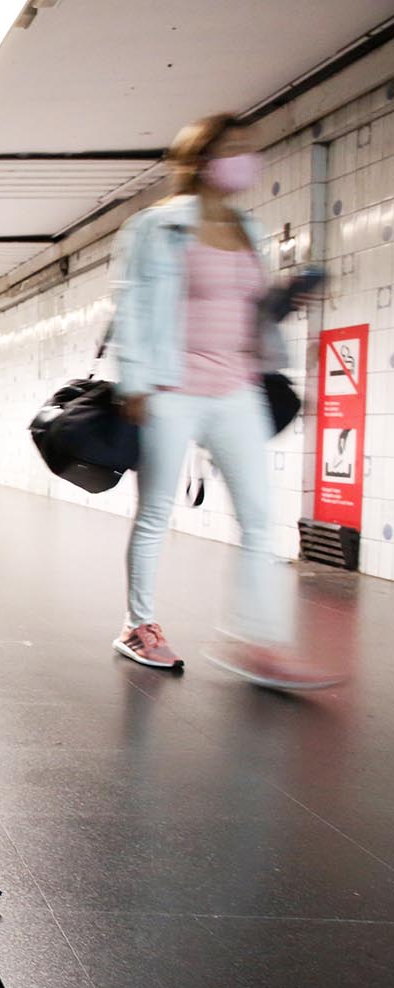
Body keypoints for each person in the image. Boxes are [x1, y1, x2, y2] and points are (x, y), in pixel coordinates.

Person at [109, 112, 341, 690]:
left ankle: (257, 641)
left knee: (260, 518)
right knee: (157, 512)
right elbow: (133, 305)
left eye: (249, 148)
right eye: (235, 148)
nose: (248, 159)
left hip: (238, 385)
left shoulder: (247, 229)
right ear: (202, 160)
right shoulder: (156, 227)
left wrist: (286, 298)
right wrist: (135, 381)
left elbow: (251, 310)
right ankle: (139, 625)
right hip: (172, 386)